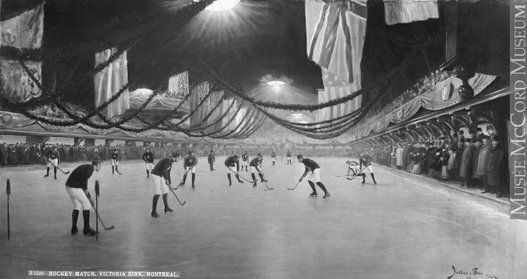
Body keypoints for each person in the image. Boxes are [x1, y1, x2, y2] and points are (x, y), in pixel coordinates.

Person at [65, 158, 102, 236]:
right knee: (87, 205)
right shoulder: (90, 169)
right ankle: (87, 229)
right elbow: (84, 185)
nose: (101, 167)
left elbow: (83, 183)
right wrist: (89, 197)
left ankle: (74, 229)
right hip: (74, 187)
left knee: (77, 206)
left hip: (69, 186)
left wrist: (88, 196)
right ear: (97, 164)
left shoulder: (88, 167)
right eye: (100, 165)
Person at [150, 153, 178, 218]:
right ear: (175, 157)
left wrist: (170, 184)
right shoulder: (167, 160)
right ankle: (153, 212)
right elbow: (164, 170)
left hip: (161, 175)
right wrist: (166, 180)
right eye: (178, 157)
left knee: (165, 190)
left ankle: (166, 207)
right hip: (155, 174)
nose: (179, 159)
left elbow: (168, 174)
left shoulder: (170, 163)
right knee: (158, 193)